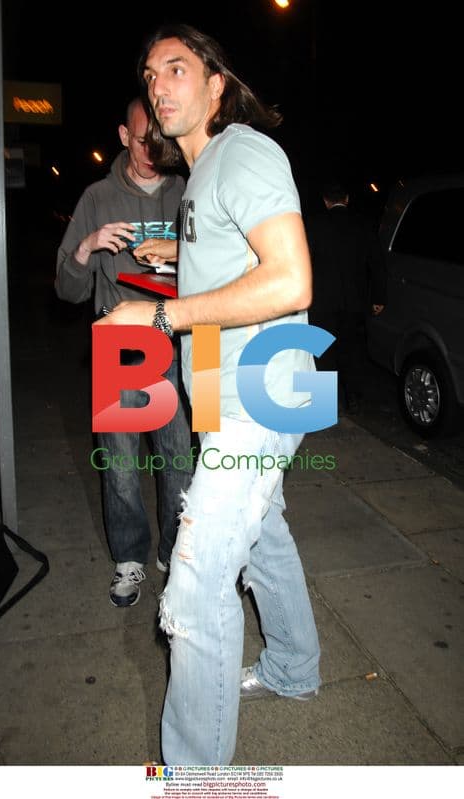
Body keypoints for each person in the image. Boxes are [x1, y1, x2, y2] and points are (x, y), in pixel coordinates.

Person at [95, 25, 321, 765]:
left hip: (260, 385)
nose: (160, 84)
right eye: (151, 73)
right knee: (265, 536)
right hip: (231, 390)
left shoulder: (244, 151)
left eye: (178, 68)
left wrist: (161, 312)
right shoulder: (201, 180)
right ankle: (293, 665)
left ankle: (193, 781)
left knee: (194, 586)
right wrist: (177, 258)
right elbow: (231, 269)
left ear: (216, 83)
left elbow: (290, 279)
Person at [55, 98, 192, 608]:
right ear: (121, 134)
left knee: (180, 458)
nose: (153, 150)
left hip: (180, 338)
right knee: (118, 462)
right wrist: (87, 246)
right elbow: (67, 290)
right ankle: (130, 557)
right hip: (119, 342)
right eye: (141, 140)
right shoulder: (97, 196)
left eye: (160, 140)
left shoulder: (187, 191)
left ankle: (176, 552)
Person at [305, 181, 386, 413]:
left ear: (325, 201)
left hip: (322, 301)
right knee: (352, 350)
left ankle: (322, 405)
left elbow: (305, 261)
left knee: (322, 352)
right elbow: (377, 263)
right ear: (347, 199)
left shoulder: (314, 224)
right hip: (355, 300)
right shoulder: (363, 224)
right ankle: (354, 398)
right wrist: (379, 297)